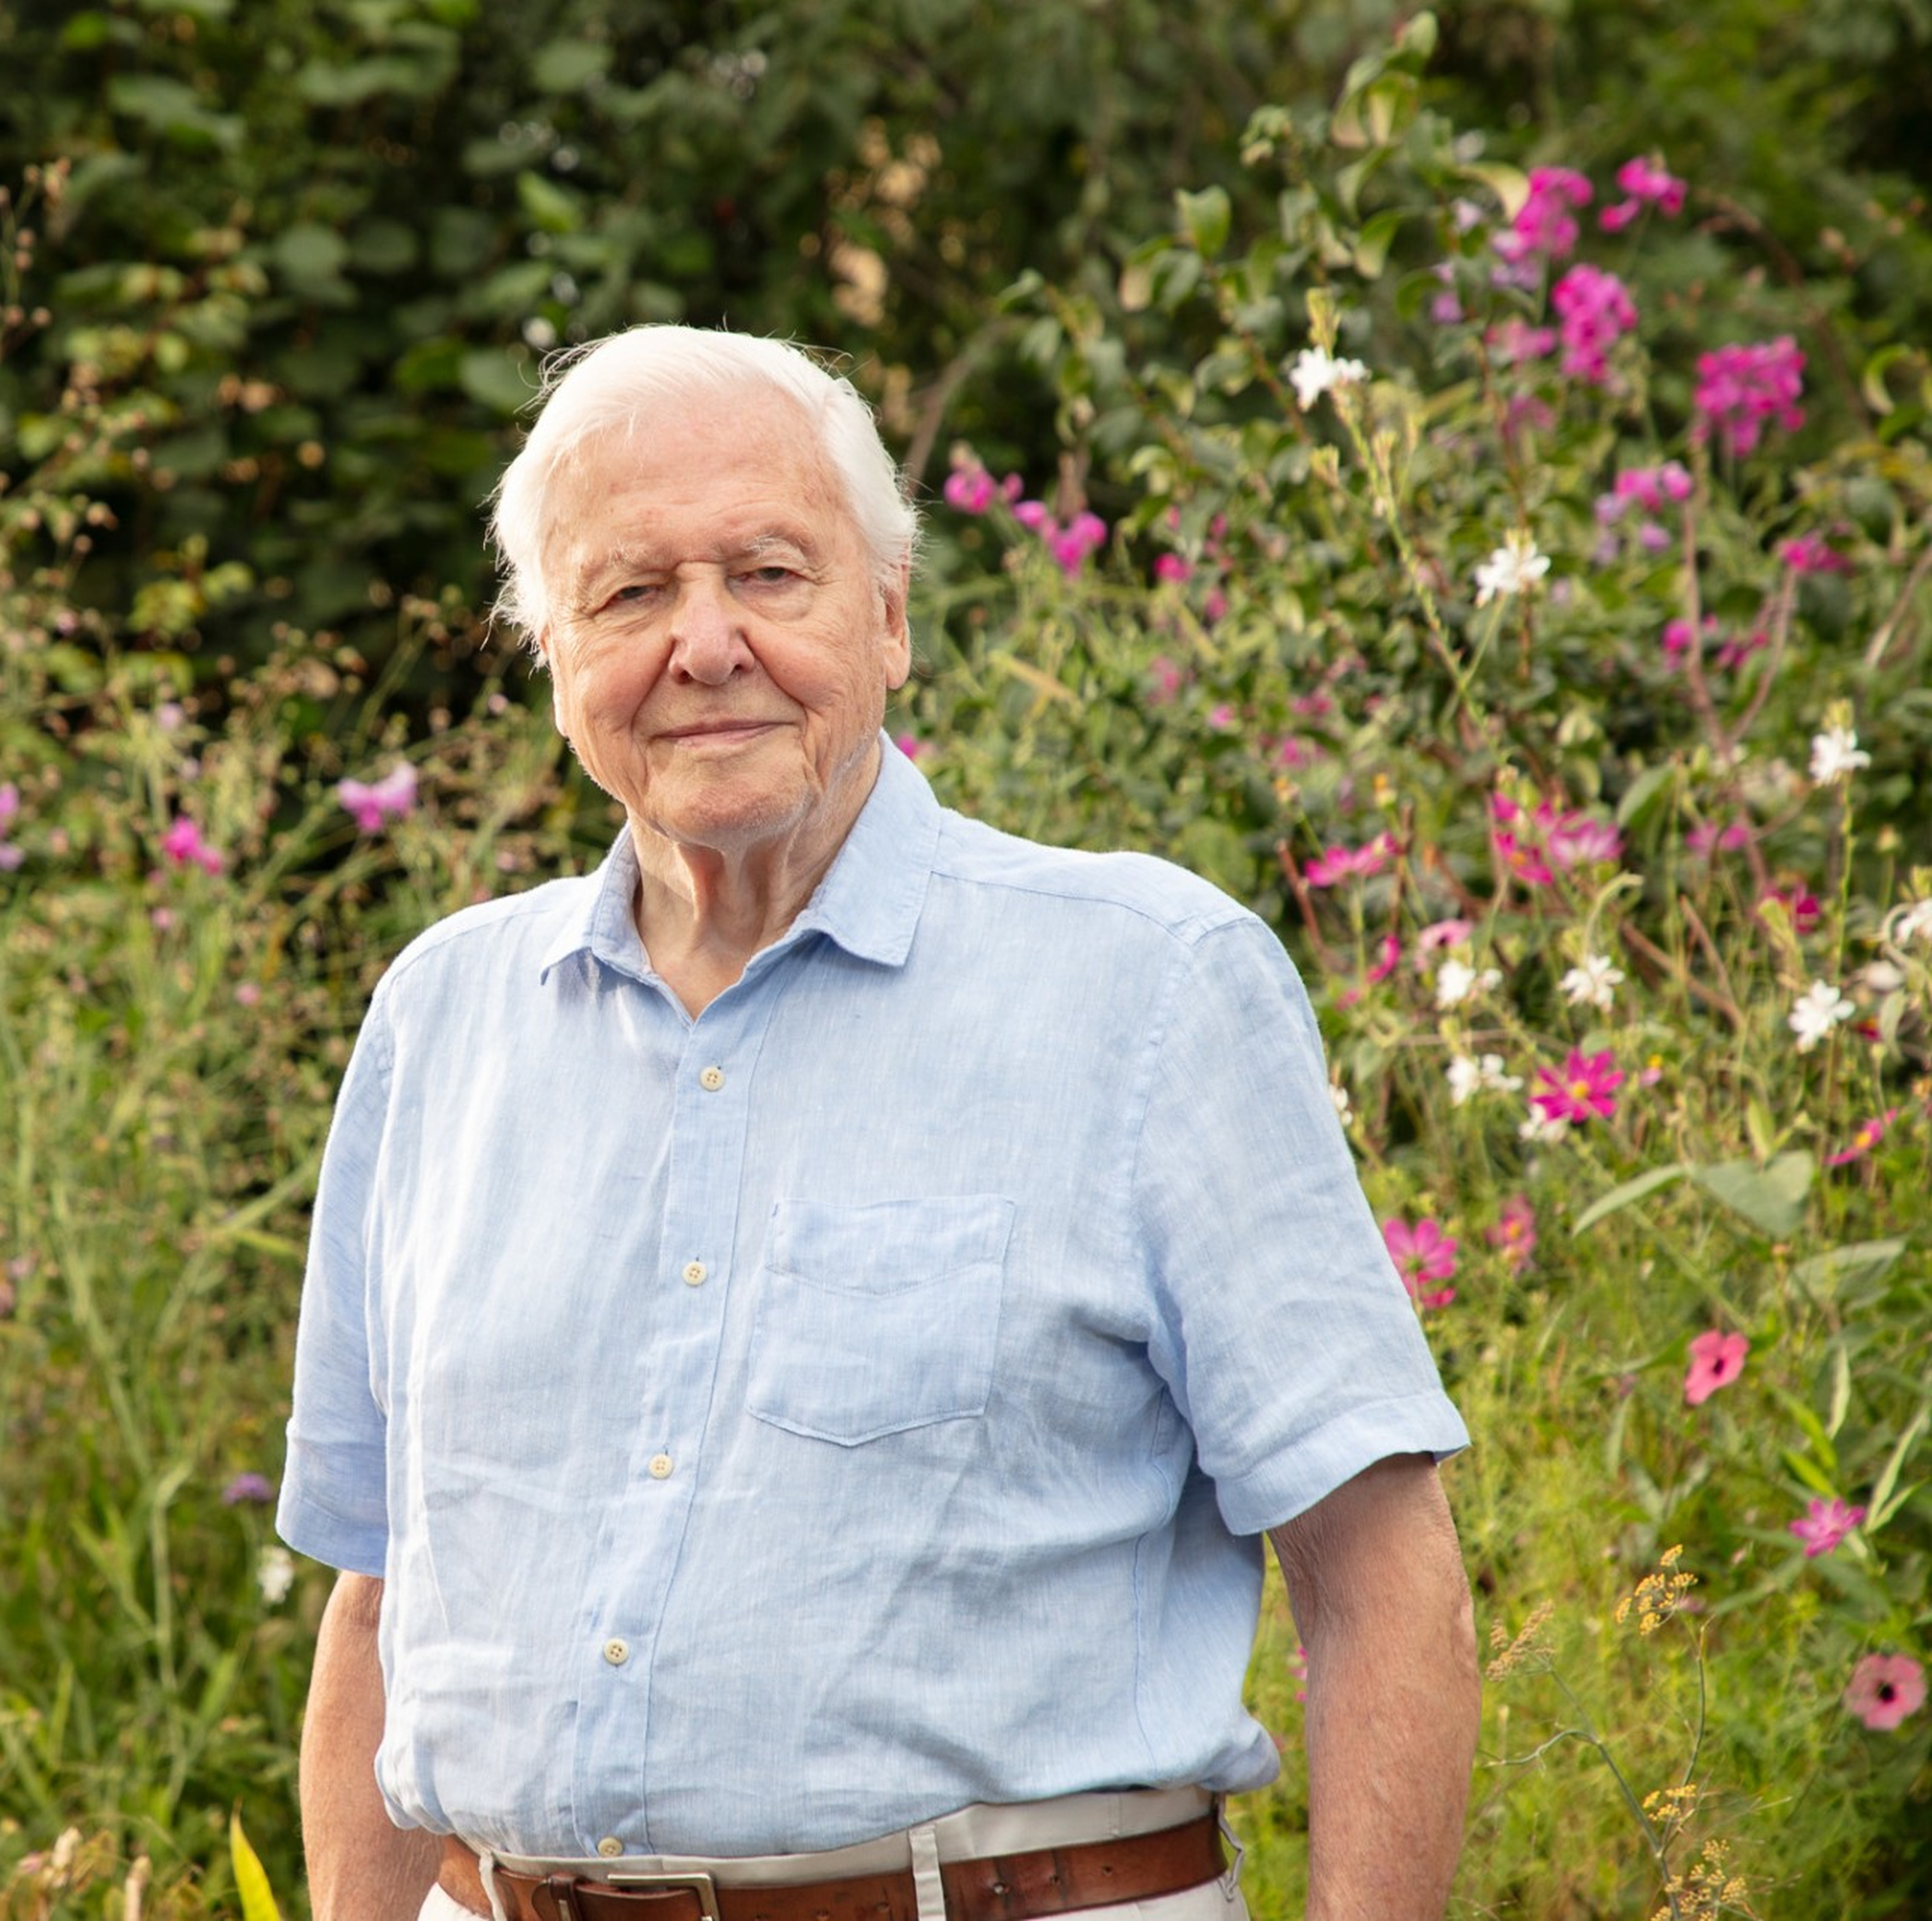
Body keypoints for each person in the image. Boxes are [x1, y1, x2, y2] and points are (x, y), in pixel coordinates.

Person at [276, 325, 1477, 1921]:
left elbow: (1382, 1575)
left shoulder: (1150, 988)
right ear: (550, 648)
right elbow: (379, 1604)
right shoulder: (442, 1021)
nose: (704, 645)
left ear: (892, 615)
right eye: (631, 592)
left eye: (771, 574)